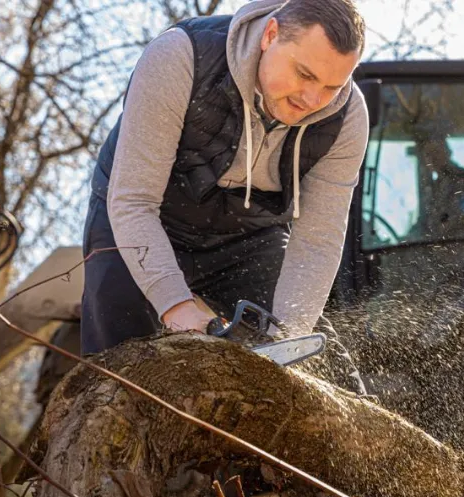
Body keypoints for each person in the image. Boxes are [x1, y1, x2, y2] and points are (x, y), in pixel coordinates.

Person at [80, 0, 370, 355]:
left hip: (249, 237)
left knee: (314, 356)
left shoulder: (347, 119)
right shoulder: (180, 56)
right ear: (270, 35)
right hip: (146, 217)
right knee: (119, 349)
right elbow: (133, 201)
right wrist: (175, 306)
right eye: (305, 74)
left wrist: (286, 344)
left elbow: (318, 242)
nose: (313, 99)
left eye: (331, 87)